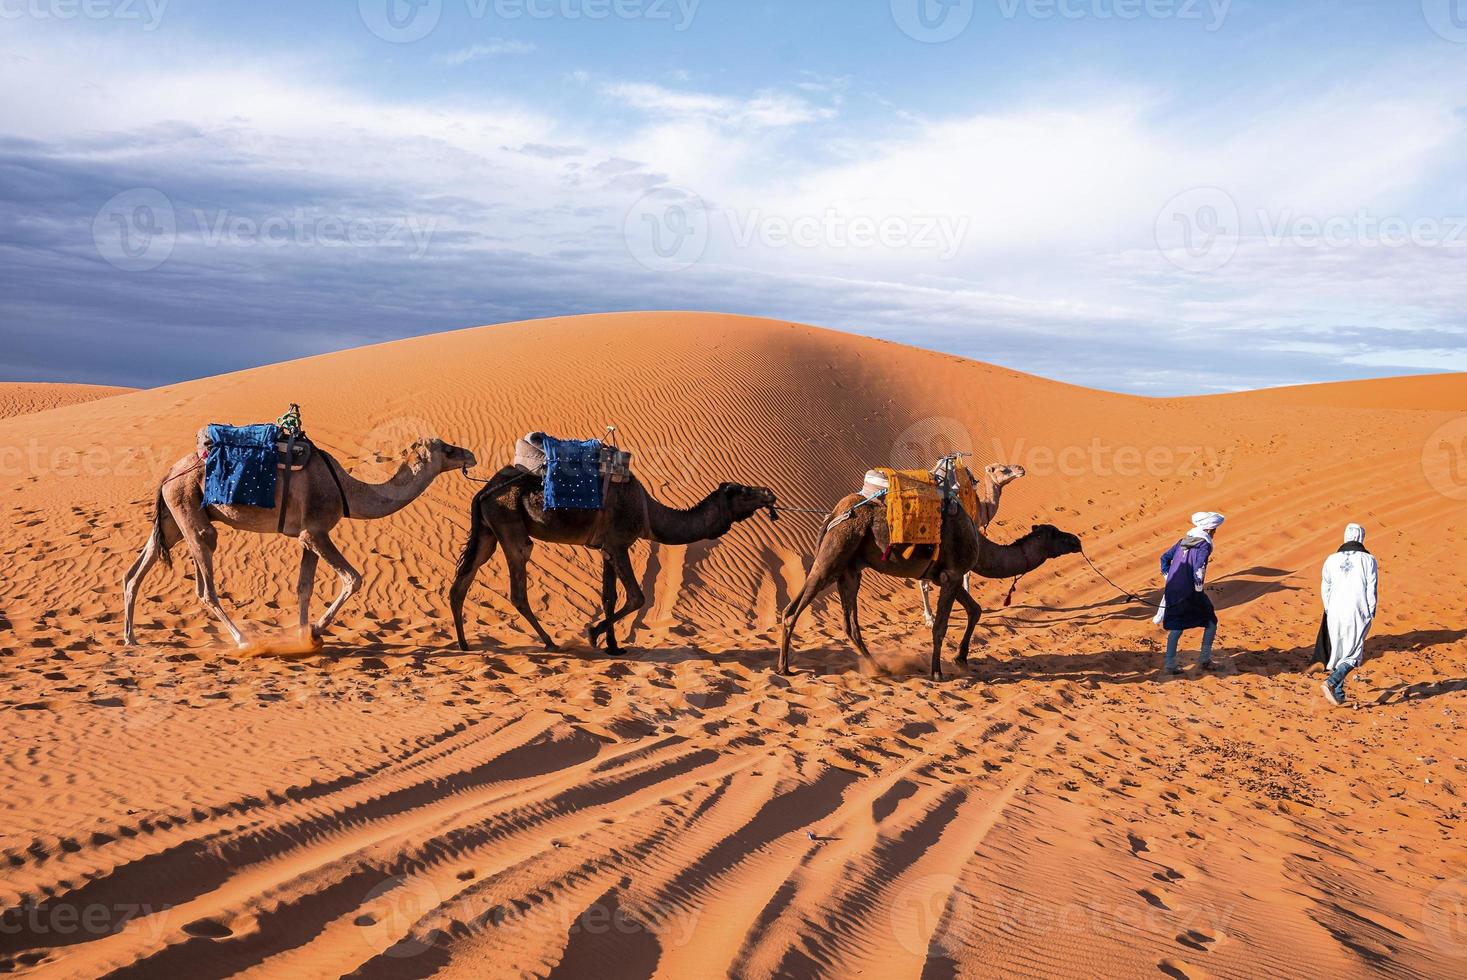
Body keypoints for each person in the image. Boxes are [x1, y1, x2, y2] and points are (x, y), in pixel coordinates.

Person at [1157, 512, 1225, 675]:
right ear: (1209, 530)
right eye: (1214, 530)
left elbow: (1164, 558)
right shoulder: (1204, 545)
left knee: (1177, 627)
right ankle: (1204, 660)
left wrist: (1169, 576)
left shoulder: (1183, 541)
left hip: (1172, 590)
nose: (1215, 533)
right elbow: (1199, 568)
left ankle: (1170, 664)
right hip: (1190, 591)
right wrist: (1198, 589)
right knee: (1211, 622)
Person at [1319, 524, 1379, 707]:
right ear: (1361, 537)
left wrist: (1328, 608)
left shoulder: (1331, 559)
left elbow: (1325, 586)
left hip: (1335, 611)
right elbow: (1372, 587)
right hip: (1357, 610)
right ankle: (1331, 682)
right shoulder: (1369, 560)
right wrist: (1371, 611)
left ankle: (1339, 694)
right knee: (1354, 653)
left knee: (1340, 648)